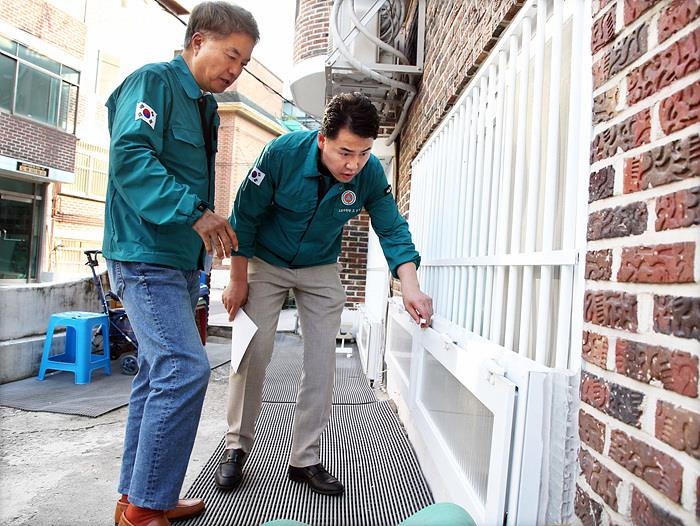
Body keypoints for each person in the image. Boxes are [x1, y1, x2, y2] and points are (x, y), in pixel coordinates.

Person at [214, 92, 433, 496]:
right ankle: (235, 448)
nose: (354, 164)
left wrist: (411, 287)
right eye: (345, 152)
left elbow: (392, 229)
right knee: (253, 351)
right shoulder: (281, 153)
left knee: (321, 362)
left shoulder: (368, 175)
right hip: (266, 260)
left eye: (364, 153)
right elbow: (244, 214)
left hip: (319, 268)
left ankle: (305, 459)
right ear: (322, 139)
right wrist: (237, 278)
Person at [102, 3, 258, 525]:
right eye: (230, 54)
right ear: (197, 42)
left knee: (155, 374)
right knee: (184, 367)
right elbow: (131, 159)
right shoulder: (152, 83)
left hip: (176, 262)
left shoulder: (205, 109)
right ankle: (146, 509)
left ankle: (142, 495)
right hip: (143, 254)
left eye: (244, 62)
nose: (235, 69)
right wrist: (197, 214)